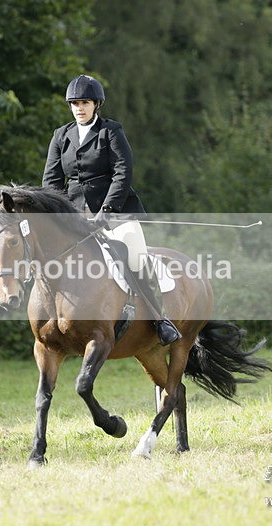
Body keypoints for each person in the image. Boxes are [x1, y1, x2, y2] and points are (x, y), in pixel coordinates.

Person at [41, 74, 181, 345]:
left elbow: (122, 171)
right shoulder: (61, 136)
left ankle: (159, 319)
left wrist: (107, 209)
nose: (79, 108)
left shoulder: (110, 131)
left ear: (96, 104)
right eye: (74, 103)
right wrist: (61, 217)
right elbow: (51, 181)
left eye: (85, 102)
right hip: (76, 217)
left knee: (136, 255)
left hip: (117, 214)